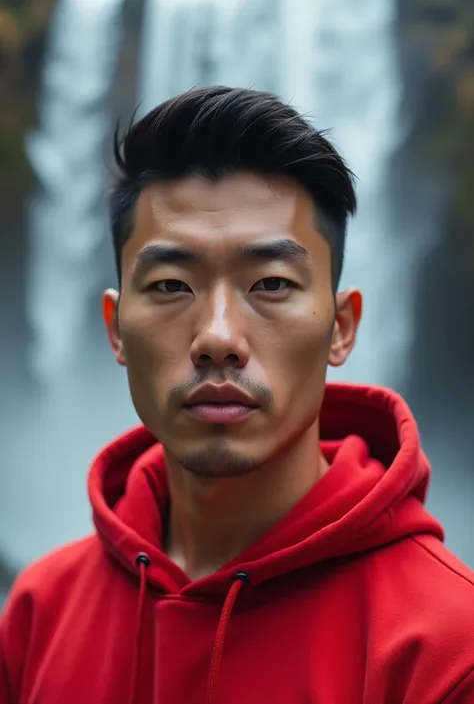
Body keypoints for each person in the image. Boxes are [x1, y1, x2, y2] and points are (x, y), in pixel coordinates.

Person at [1, 86, 473, 704]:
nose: (218, 338)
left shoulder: (446, 650)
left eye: (271, 283)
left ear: (342, 327)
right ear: (115, 330)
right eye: (171, 284)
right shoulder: (39, 614)